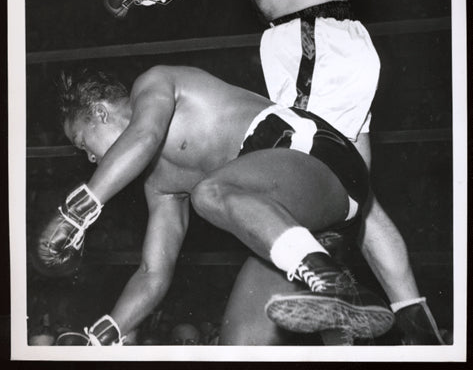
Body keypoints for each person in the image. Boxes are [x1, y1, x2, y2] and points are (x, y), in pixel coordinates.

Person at [102, 0, 446, 345]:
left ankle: (336, 292)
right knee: (352, 188)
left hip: (312, 42)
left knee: (312, 178)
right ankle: (415, 319)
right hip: (312, 49)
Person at [36, 65, 395, 346]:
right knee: (238, 349)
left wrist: (74, 214)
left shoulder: (154, 84)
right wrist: (102, 337)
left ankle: (334, 285)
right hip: (293, 223)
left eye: (84, 143)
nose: (90, 158)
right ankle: (336, 292)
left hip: (322, 160)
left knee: (208, 193)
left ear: (100, 112)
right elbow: (152, 274)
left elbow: (144, 137)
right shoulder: (158, 185)